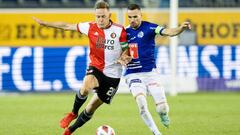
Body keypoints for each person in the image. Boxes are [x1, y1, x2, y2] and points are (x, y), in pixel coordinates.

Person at [33, 1, 131, 135]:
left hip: (113, 75)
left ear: (109, 15)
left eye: (103, 16)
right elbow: (66, 26)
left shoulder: (120, 30)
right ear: (94, 15)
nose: (100, 19)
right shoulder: (89, 27)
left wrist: (124, 57)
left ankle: (70, 130)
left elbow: (126, 49)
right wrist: (46, 23)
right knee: (85, 87)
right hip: (96, 67)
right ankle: (73, 113)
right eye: (98, 16)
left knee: (90, 108)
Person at [125, 4, 191, 135]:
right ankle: (156, 132)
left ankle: (163, 115)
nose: (132, 19)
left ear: (141, 16)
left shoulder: (150, 27)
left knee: (161, 108)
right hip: (132, 74)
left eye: (135, 17)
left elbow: (169, 32)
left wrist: (181, 29)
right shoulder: (124, 32)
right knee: (141, 103)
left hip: (150, 74)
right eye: (130, 17)